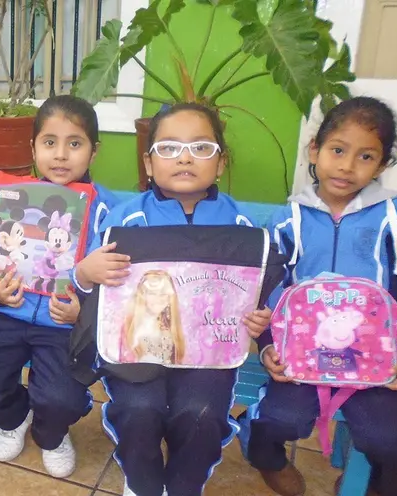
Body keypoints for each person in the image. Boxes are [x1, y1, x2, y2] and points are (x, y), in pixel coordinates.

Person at [75, 103, 272, 495]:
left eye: (201, 147)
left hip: (208, 356)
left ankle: (184, 484)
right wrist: (85, 273)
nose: (184, 157)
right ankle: (143, 482)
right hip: (136, 351)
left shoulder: (242, 228)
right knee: (138, 411)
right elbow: (90, 291)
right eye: (168, 148)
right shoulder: (125, 221)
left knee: (200, 415)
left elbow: (263, 296)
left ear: (221, 163)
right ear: (149, 163)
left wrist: (261, 321)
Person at [0, 95, 119, 478]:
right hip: (4, 313)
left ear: (93, 151)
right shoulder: (9, 198)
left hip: (64, 324)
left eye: (75, 143)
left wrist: (83, 310)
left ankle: (51, 433)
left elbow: (119, 283)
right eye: (49, 142)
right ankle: (15, 415)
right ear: (33, 147)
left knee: (62, 399)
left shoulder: (110, 212)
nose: (61, 155)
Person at [242, 96, 397, 496]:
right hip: (301, 356)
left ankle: (376, 486)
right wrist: (268, 347)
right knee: (274, 422)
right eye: (338, 150)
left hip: (374, 362)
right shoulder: (289, 220)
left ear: (382, 165)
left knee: (390, 440)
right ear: (314, 150)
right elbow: (269, 295)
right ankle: (267, 460)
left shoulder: (395, 219)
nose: (347, 166)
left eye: (366, 156)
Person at [120, 269, 185, 364]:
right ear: (143, 295)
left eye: (163, 294)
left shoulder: (172, 325)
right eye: (152, 293)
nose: (158, 299)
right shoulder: (129, 327)